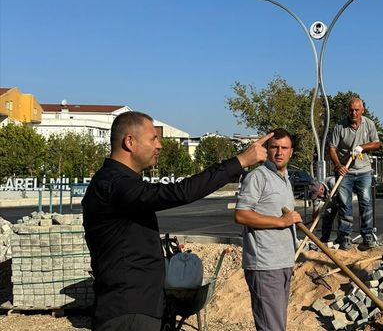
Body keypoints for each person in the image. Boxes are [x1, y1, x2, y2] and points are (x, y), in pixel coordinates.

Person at [82, 111, 272, 331]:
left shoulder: (117, 182)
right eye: (153, 138)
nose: (159, 145)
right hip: (128, 312)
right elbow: (179, 192)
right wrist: (239, 161)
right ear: (129, 142)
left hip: (137, 306)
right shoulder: (115, 184)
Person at [234, 128, 302, 331]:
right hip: (265, 265)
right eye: (274, 147)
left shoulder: (285, 179)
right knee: (272, 327)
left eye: (284, 148)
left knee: (277, 325)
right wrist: (281, 221)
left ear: (291, 151)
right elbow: (241, 215)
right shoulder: (258, 177)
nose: (279, 152)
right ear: (267, 150)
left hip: (283, 263)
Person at [328, 97, 381, 250]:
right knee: (345, 205)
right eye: (351, 110)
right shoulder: (340, 127)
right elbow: (332, 148)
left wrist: (362, 147)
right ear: (347, 110)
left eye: (357, 110)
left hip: (364, 171)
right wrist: (338, 165)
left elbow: (377, 143)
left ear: (362, 110)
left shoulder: (368, 124)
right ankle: (344, 237)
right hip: (345, 172)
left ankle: (368, 235)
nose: (354, 113)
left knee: (366, 202)